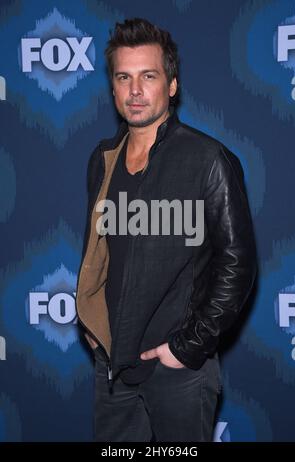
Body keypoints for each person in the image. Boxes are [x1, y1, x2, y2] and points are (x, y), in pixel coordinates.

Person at [75, 17, 257, 442]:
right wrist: (93, 323)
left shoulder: (208, 159)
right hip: (113, 370)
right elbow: (100, 253)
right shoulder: (102, 159)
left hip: (177, 371)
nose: (135, 90)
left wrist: (187, 348)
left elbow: (238, 262)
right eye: (124, 77)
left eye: (148, 76)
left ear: (171, 86)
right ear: (114, 87)